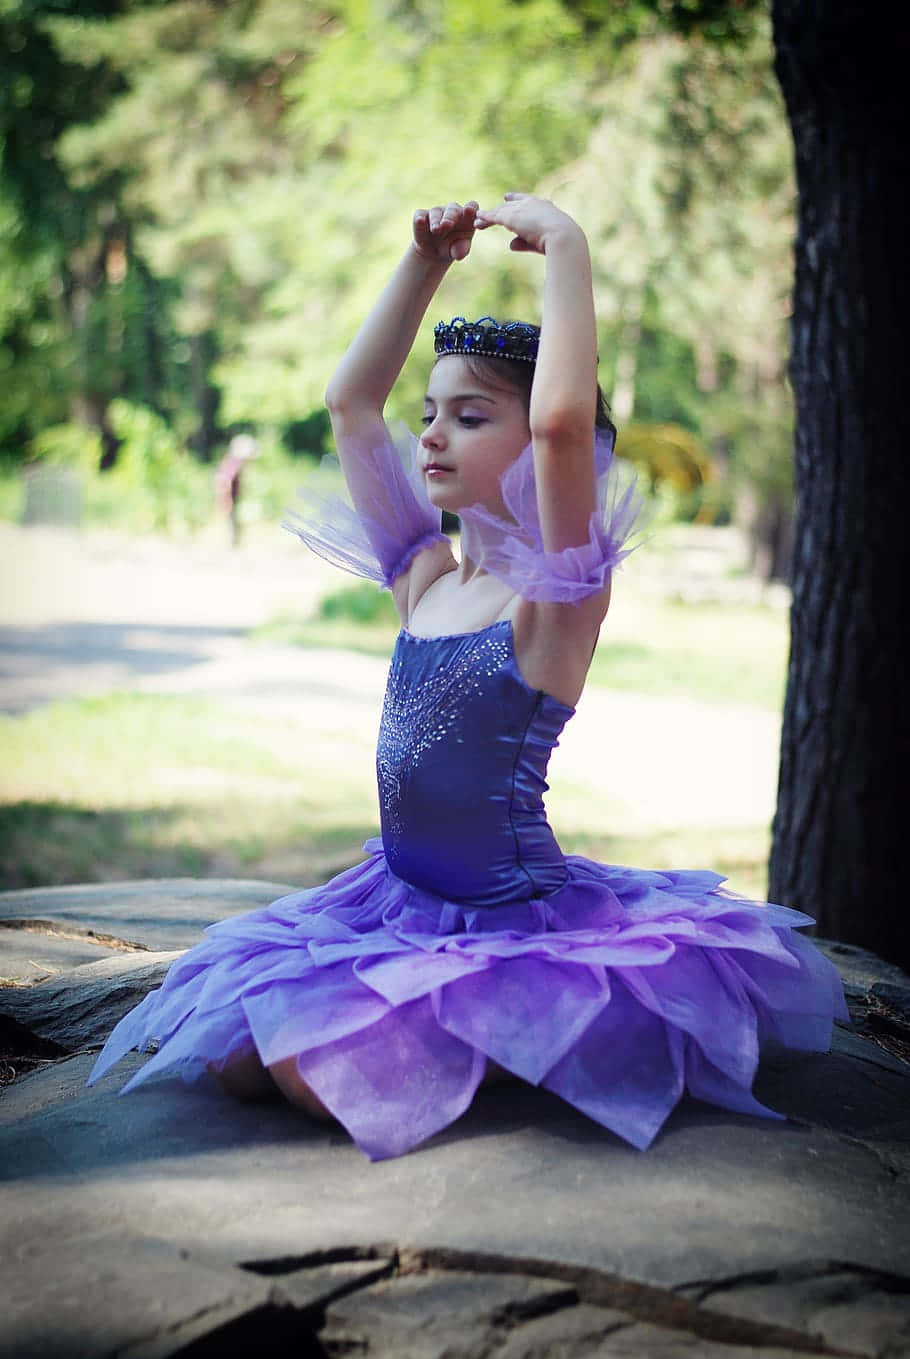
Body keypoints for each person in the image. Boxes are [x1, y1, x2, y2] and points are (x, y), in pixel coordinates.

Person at [88, 194, 847, 1160]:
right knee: (238, 1056)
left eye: (472, 416)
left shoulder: (553, 602)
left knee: (312, 1081)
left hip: (509, 928)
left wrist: (568, 245)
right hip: (400, 902)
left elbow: (568, 422)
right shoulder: (426, 578)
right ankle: (466, 1047)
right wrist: (425, 265)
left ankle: (518, 1043)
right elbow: (351, 406)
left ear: (530, 443)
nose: (432, 437)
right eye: (432, 415)